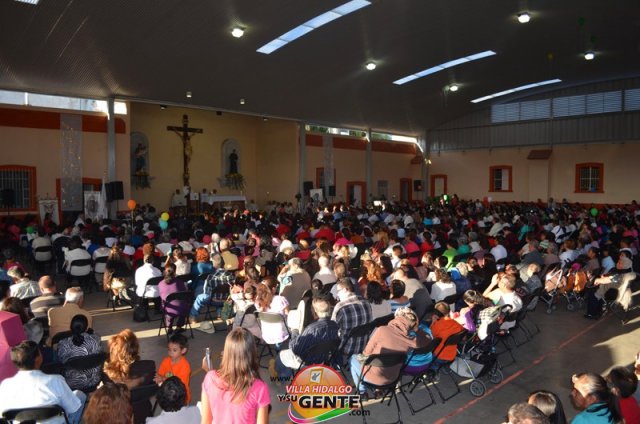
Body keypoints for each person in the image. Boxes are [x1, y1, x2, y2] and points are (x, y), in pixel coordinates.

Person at [0, 341, 86, 424]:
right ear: (38, 358)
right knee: (80, 395)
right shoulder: (56, 381)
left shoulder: (5, 386)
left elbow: (2, 414)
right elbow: (73, 409)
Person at [350, 307, 430, 396]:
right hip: (392, 378)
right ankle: (378, 390)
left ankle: (362, 392)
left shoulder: (382, 330)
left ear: (397, 317)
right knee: (381, 362)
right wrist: (417, 329)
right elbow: (427, 340)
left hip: (373, 376)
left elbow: (366, 353)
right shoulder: (411, 341)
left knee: (353, 358)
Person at [201, 328, 270, 424]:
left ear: (226, 352)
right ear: (252, 353)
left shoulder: (210, 378)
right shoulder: (259, 388)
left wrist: (209, 372)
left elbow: (206, 421)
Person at [274, 296, 339, 379]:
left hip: (306, 361)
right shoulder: (335, 325)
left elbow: (295, 349)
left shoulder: (311, 329)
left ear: (315, 312)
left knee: (281, 356)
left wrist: (294, 331)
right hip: (322, 359)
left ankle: (284, 377)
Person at [103, 329, 156, 423]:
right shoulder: (149, 367)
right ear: (136, 348)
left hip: (120, 417)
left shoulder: (107, 375)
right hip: (144, 414)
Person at [56, 314, 102, 391]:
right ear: (86, 327)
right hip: (94, 381)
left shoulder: (63, 343)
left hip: (72, 384)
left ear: (71, 327)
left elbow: (61, 360)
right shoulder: (96, 339)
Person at [331, 278, 372, 358]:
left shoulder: (340, 306)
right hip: (363, 348)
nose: (337, 295)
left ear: (345, 290)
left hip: (345, 350)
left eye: (338, 291)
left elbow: (332, 329)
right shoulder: (367, 303)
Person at [154, 333, 192, 404]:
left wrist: (163, 379)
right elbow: (160, 374)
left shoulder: (185, 366)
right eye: (169, 349)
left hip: (181, 398)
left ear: (183, 350)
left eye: (174, 350)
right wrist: (158, 379)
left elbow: (179, 385)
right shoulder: (165, 361)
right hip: (168, 396)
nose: (171, 353)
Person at [158, 263, 189, 333]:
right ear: (174, 272)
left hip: (167, 309)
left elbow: (161, 296)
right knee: (184, 304)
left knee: (168, 305)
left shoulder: (160, 283)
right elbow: (185, 294)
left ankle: (169, 327)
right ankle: (179, 327)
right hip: (181, 309)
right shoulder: (180, 282)